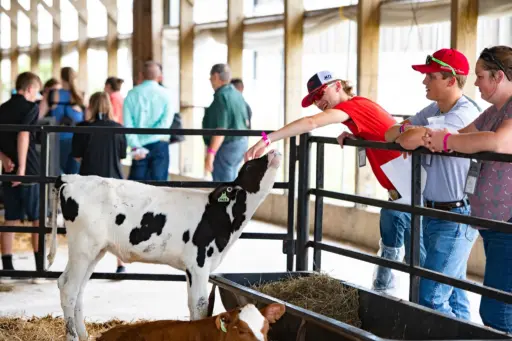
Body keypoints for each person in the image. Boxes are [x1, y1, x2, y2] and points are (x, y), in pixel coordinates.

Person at [245, 71, 409, 287]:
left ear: (338, 86)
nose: (319, 102)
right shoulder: (358, 108)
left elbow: (312, 122)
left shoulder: (353, 107)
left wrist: (268, 139)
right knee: (399, 257)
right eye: (313, 99)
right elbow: (378, 129)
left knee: (424, 268)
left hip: (412, 194)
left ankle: (436, 315)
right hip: (400, 195)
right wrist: (356, 135)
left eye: (321, 93)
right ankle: (386, 301)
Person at [422, 45, 512, 334]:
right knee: (494, 303)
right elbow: (463, 136)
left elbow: (496, 142)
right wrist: (440, 138)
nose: (475, 82)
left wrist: (444, 141)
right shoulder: (491, 113)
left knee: (498, 310)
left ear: (499, 76)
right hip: (493, 223)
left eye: (480, 76)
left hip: (508, 225)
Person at [386, 48, 481, 320]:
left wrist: (411, 133)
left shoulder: (465, 115)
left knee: (430, 297)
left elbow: (405, 138)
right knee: (454, 293)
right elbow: (392, 132)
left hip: (456, 215)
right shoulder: (435, 109)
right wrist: (412, 132)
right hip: (435, 212)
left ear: (451, 80)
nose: (424, 82)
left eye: (431, 76)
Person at [71, 91, 128, 273]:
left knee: (89, 222)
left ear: (91, 107)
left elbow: (77, 156)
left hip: (90, 181)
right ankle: (120, 265)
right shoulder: (118, 128)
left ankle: (86, 264)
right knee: (116, 222)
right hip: (115, 181)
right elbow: (121, 155)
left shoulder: (82, 127)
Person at [0, 72, 42, 282]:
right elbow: (24, 134)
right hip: (29, 169)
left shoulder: (3, 107)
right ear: (29, 89)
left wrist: (5, 159)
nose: (37, 96)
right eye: (36, 91)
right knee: (37, 219)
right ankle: (39, 270)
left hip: (7, 169)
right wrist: (22, 170)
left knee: (10, 218)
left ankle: (7, 268)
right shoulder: (31, 107)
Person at [123, 61, 173, 181]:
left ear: (141, 75)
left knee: (137, 188)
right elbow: (166, 123)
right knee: (160, 186)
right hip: (160, 144)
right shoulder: (166, 95)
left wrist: (136, 146)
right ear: (159, 77)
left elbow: (128, 124)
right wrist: (152, 137)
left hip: (138, 146)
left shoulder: (131, 94)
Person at [203, 64, 249, 182]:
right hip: (240, 143)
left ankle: (225, 201)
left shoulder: (221, 95)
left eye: (211, 77)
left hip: (227, 146)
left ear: (216, 76)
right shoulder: (236, 93)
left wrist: (211, 153)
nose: (210, 80)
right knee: (231, 181)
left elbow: (221, 129)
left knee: (222, 186)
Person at [46, 67, 85, 175]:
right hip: (78, 139)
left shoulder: (54, 94)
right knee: (74, 175)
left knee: (60, 174)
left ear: (61, 78)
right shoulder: (80, 95)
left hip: (59, 139)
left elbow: (40, 114)